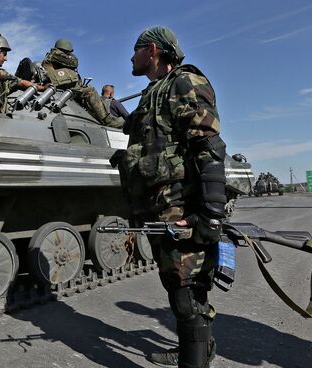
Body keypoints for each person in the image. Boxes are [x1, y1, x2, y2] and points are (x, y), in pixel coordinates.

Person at [116, 26, 225, 367]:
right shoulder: (154, 92)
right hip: (163, 208)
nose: (131, 57)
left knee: (187, 294)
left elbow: (208, 148)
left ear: (151, 51)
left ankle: (194, 360)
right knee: (178, 288)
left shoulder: (185, 83)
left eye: (135, 51)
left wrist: (211, 214)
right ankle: (195, 348)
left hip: (183, 208)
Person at [42, 39, 124, 128]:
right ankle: (107, 120)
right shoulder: (55, 54)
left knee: (84, 93)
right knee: (90, 91)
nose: (69, 54)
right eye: (68, 52)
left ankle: (97, 119)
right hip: (60, 88)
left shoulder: (53, 56)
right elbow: (74, 62)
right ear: (66, 49)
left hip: (61, 87)